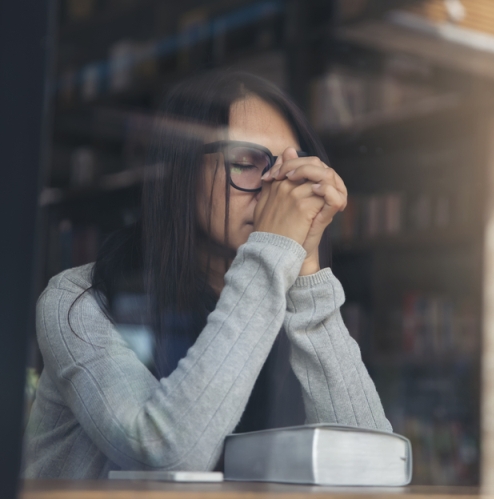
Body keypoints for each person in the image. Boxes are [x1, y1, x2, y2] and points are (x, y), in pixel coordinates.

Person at [22, 71, 391, 479]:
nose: (276, 189)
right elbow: (163, 455)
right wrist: (272, 250)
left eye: (290, 169)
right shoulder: (77, 301)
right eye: (247, 163)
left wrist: (306, 274)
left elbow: (369, 467)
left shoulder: (278, 297)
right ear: (182, 171)